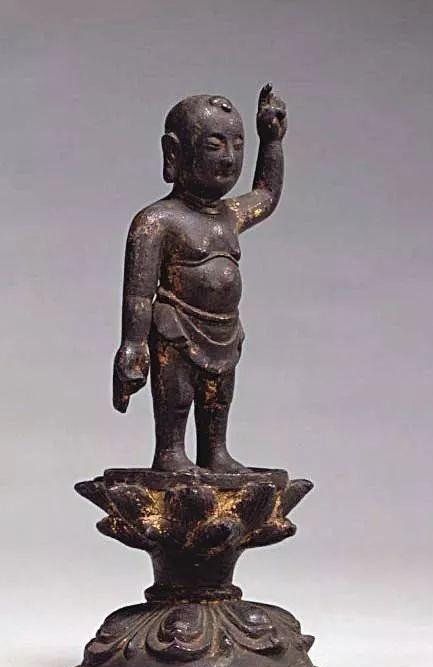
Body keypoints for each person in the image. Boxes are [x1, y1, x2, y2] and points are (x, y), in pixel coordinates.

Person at [113, 84, 287, 472]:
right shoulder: (157, 221)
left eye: (238, 146)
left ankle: (215, 451)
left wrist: (271, 141)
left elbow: (266, 194)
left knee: (218, 396)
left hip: (224, 329)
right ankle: (170, 451)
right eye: (214, 145)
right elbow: (139, 293)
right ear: (174, 153)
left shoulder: (230, 214)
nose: (229, 158)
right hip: (175, 325)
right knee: (176, 395)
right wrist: (133, 343)